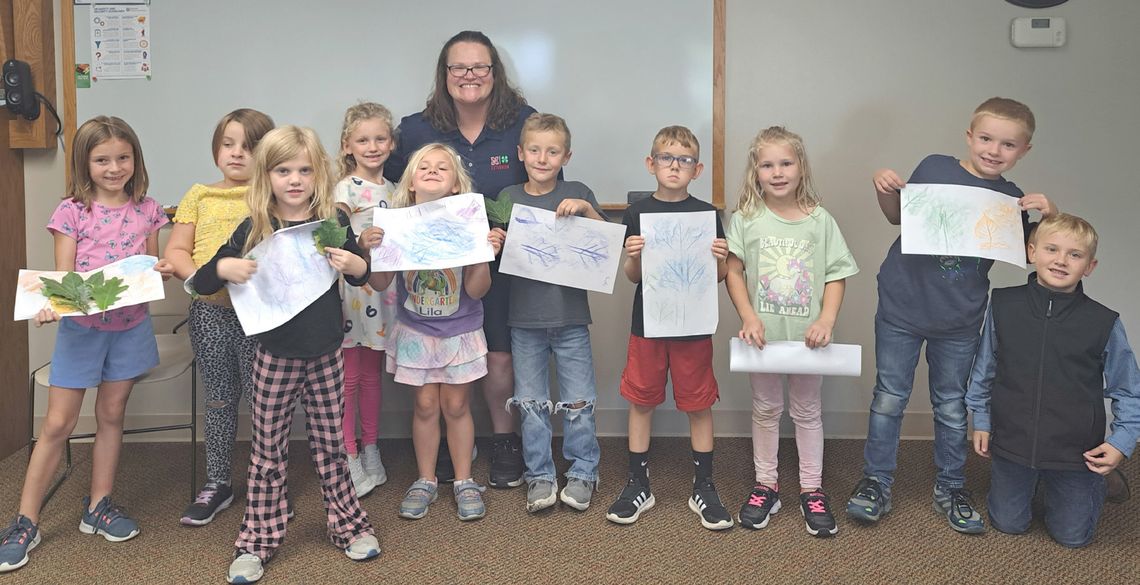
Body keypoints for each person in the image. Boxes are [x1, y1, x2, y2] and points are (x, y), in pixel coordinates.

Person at [847, 97, 1058, 533]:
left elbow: (1039, 255)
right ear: (969, 136)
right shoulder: (934, 168)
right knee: (889, 398)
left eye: (1008, 144)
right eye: (986, 138)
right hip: (902, 307)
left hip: (960, 319)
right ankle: (876, 482)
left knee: (950, 406)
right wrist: (883, 189)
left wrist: (1048, 215)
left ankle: (951, 486)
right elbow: (897, 220)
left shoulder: (1013, 200)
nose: (994, 150)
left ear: (1024, 151)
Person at [191, 126, 379, 584]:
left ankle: (349, 526)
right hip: (273, 355)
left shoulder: (331, 218)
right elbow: (201, 281)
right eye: (282, 170)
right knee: (267, 453)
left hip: (327, 353)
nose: (294, 180)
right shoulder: (255, 224)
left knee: (332, 447)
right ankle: (257, 541)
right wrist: (222, 266)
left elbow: (359, 271)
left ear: (320, 172)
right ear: (265, 175)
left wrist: (356, 264)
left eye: (304, 170)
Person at [0, 116, 168, 573]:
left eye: (123, 157)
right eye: (102, 159)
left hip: (131, 329)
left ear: (135, 158)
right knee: (58, 424)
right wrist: (54, 305)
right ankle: (24, 521)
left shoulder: (150, 208)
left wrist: (163, 269)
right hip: (83, 332)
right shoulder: (71, 212)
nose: (114, 167)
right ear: (84, 163)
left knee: (112, 414)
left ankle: (98, 505)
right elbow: (65, 279)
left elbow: (149, 265)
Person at [385, 30, 540, 487]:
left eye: (480, 67)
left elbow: (543, 185)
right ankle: (458, 445)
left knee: (497, 358)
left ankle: (503, 439)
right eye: (459, 67)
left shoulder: (523, 123)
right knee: (444, 362)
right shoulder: (416, 129)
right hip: (430, 274)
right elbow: (394, 187)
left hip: (504, 263)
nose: (469, 76)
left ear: (495, 72)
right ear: (444, 74)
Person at [966, 213, 1140, 547]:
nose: (1061, 260)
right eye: (1051, 249)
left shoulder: (1103, 321)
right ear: (1032, 252)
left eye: (1075, 255)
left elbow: (1128, 388)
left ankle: (1099, 483)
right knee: (1009, 523)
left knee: (1072, 537)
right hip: (1013, 443)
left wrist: (1122, 441)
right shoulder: (1003, 304)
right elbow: (984, 367)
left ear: (1089, 266)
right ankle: (1033, 478)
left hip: (1075, 451)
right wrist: (982, 420)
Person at [725, 126, 859, 537]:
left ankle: (811, 488)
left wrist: (826, 320)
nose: (777, 172)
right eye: (767, 165)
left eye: (786, 163)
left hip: (808, 341)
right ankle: (766, 484)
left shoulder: (820, 221)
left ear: (801, 167)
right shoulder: (746, 219)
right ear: (756, 171)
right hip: (762, 339)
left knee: (806, 411)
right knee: (765, 410)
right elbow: (733, 270)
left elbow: (837, 275)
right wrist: (748, 315)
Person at [604, 125, 733, 530]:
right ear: (651, 164)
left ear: (697, 170)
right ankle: (638, 483)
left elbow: (718, 276)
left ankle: (704, 485)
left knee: (699, 403)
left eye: (685, 160)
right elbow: (631, 276)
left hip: (694, 327)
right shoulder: (637, 213)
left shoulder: (708, 215)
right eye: (666, 158)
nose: (675, 166)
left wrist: (721, 258)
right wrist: (633, 256)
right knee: (641, 400)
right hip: (649, 325)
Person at [369, 143, 503, 521]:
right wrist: (373, 250)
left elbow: (477, 290)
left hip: (460, 331)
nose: (431, 171)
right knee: (425, 406)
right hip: (416, 332)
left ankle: (463, 480)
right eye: (423, 167)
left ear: (456, 186)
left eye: (442, 168)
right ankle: (426, 479)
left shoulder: (468, 224)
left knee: (457, 406)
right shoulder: (396, 221)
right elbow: (379, 282)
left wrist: (483, 253)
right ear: (411, 182)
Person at [158, 108, 275, 526]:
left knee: (266, 404)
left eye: (249, 146)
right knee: (221, 398)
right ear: (216, 149)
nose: (237, 153)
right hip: (210, 314)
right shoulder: (198, 195)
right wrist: (203, 281)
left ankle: (268, 486)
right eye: (228, 144)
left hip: (259, 317)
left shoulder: (270, 195)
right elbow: (176, 251)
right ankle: (218, 482)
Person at [498, 114, 604, 513]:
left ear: (566, 156)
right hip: (523, 318)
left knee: (579, 402)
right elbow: (495, 253)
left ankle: (584, 472)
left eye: (553, 151)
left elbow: (609, 243)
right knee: (531, 403)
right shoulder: (508, 196)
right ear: (521, 153)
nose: (543, 158)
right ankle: (539, 475)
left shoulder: (578, 191)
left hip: (571, 317)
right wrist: (498, 240)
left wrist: (587, 210)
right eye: (535, 150)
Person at [334, 102, 400, 497]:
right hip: (352, 292)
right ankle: (349, 455)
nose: (372, 146)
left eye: (379, 138)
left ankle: (372, 447)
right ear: (347, 146)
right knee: (349, 378)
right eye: (363, 139)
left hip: (384, 291)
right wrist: (357, 242)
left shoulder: (395, 190)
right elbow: (334, 226)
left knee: (373, 375)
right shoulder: (344, 189)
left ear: (391, 143)